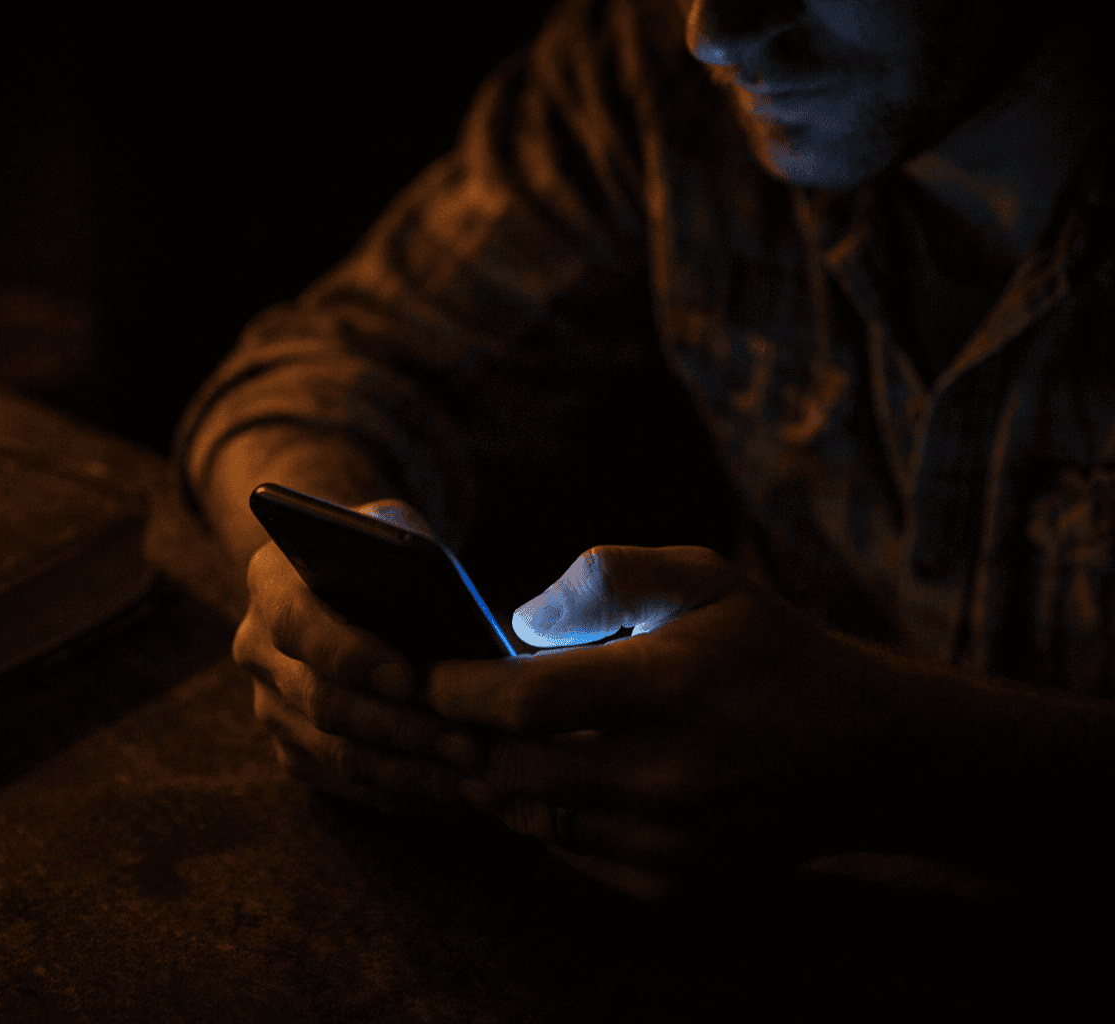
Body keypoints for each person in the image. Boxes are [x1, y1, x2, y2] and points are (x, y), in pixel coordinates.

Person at [174, 0, 1115, 899]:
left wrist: (903, 763)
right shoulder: (644, 71)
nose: (714, 34)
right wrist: (323, 595)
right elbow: (327, 369)